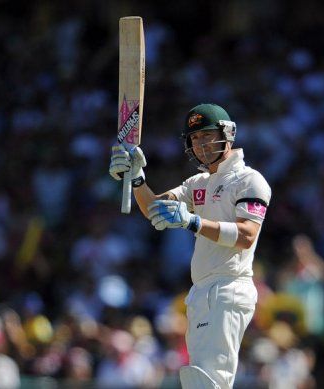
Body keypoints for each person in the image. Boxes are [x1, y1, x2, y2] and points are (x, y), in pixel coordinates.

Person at [109, 103, 272, 388]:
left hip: (229, 287)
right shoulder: (198, 182)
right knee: (198, 378)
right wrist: (136, 178)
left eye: (207, 135)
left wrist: (194, 222)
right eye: (195, 138)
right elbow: (154, 210)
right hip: (200, 291)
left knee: (211, 381)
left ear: (228, 133)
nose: (201, 144)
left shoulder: (250, 180)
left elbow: (247, 235)